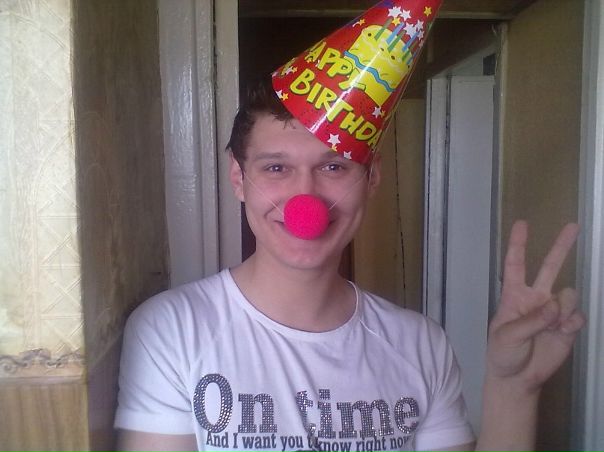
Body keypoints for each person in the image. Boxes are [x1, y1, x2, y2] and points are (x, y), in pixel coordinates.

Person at [114, 78, 585, 452]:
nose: (306, 200)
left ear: (371, 177)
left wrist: (513, 388)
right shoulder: (171, 331)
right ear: (239, 178)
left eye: (333, 166)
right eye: (276, 168)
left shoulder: (422, 345)